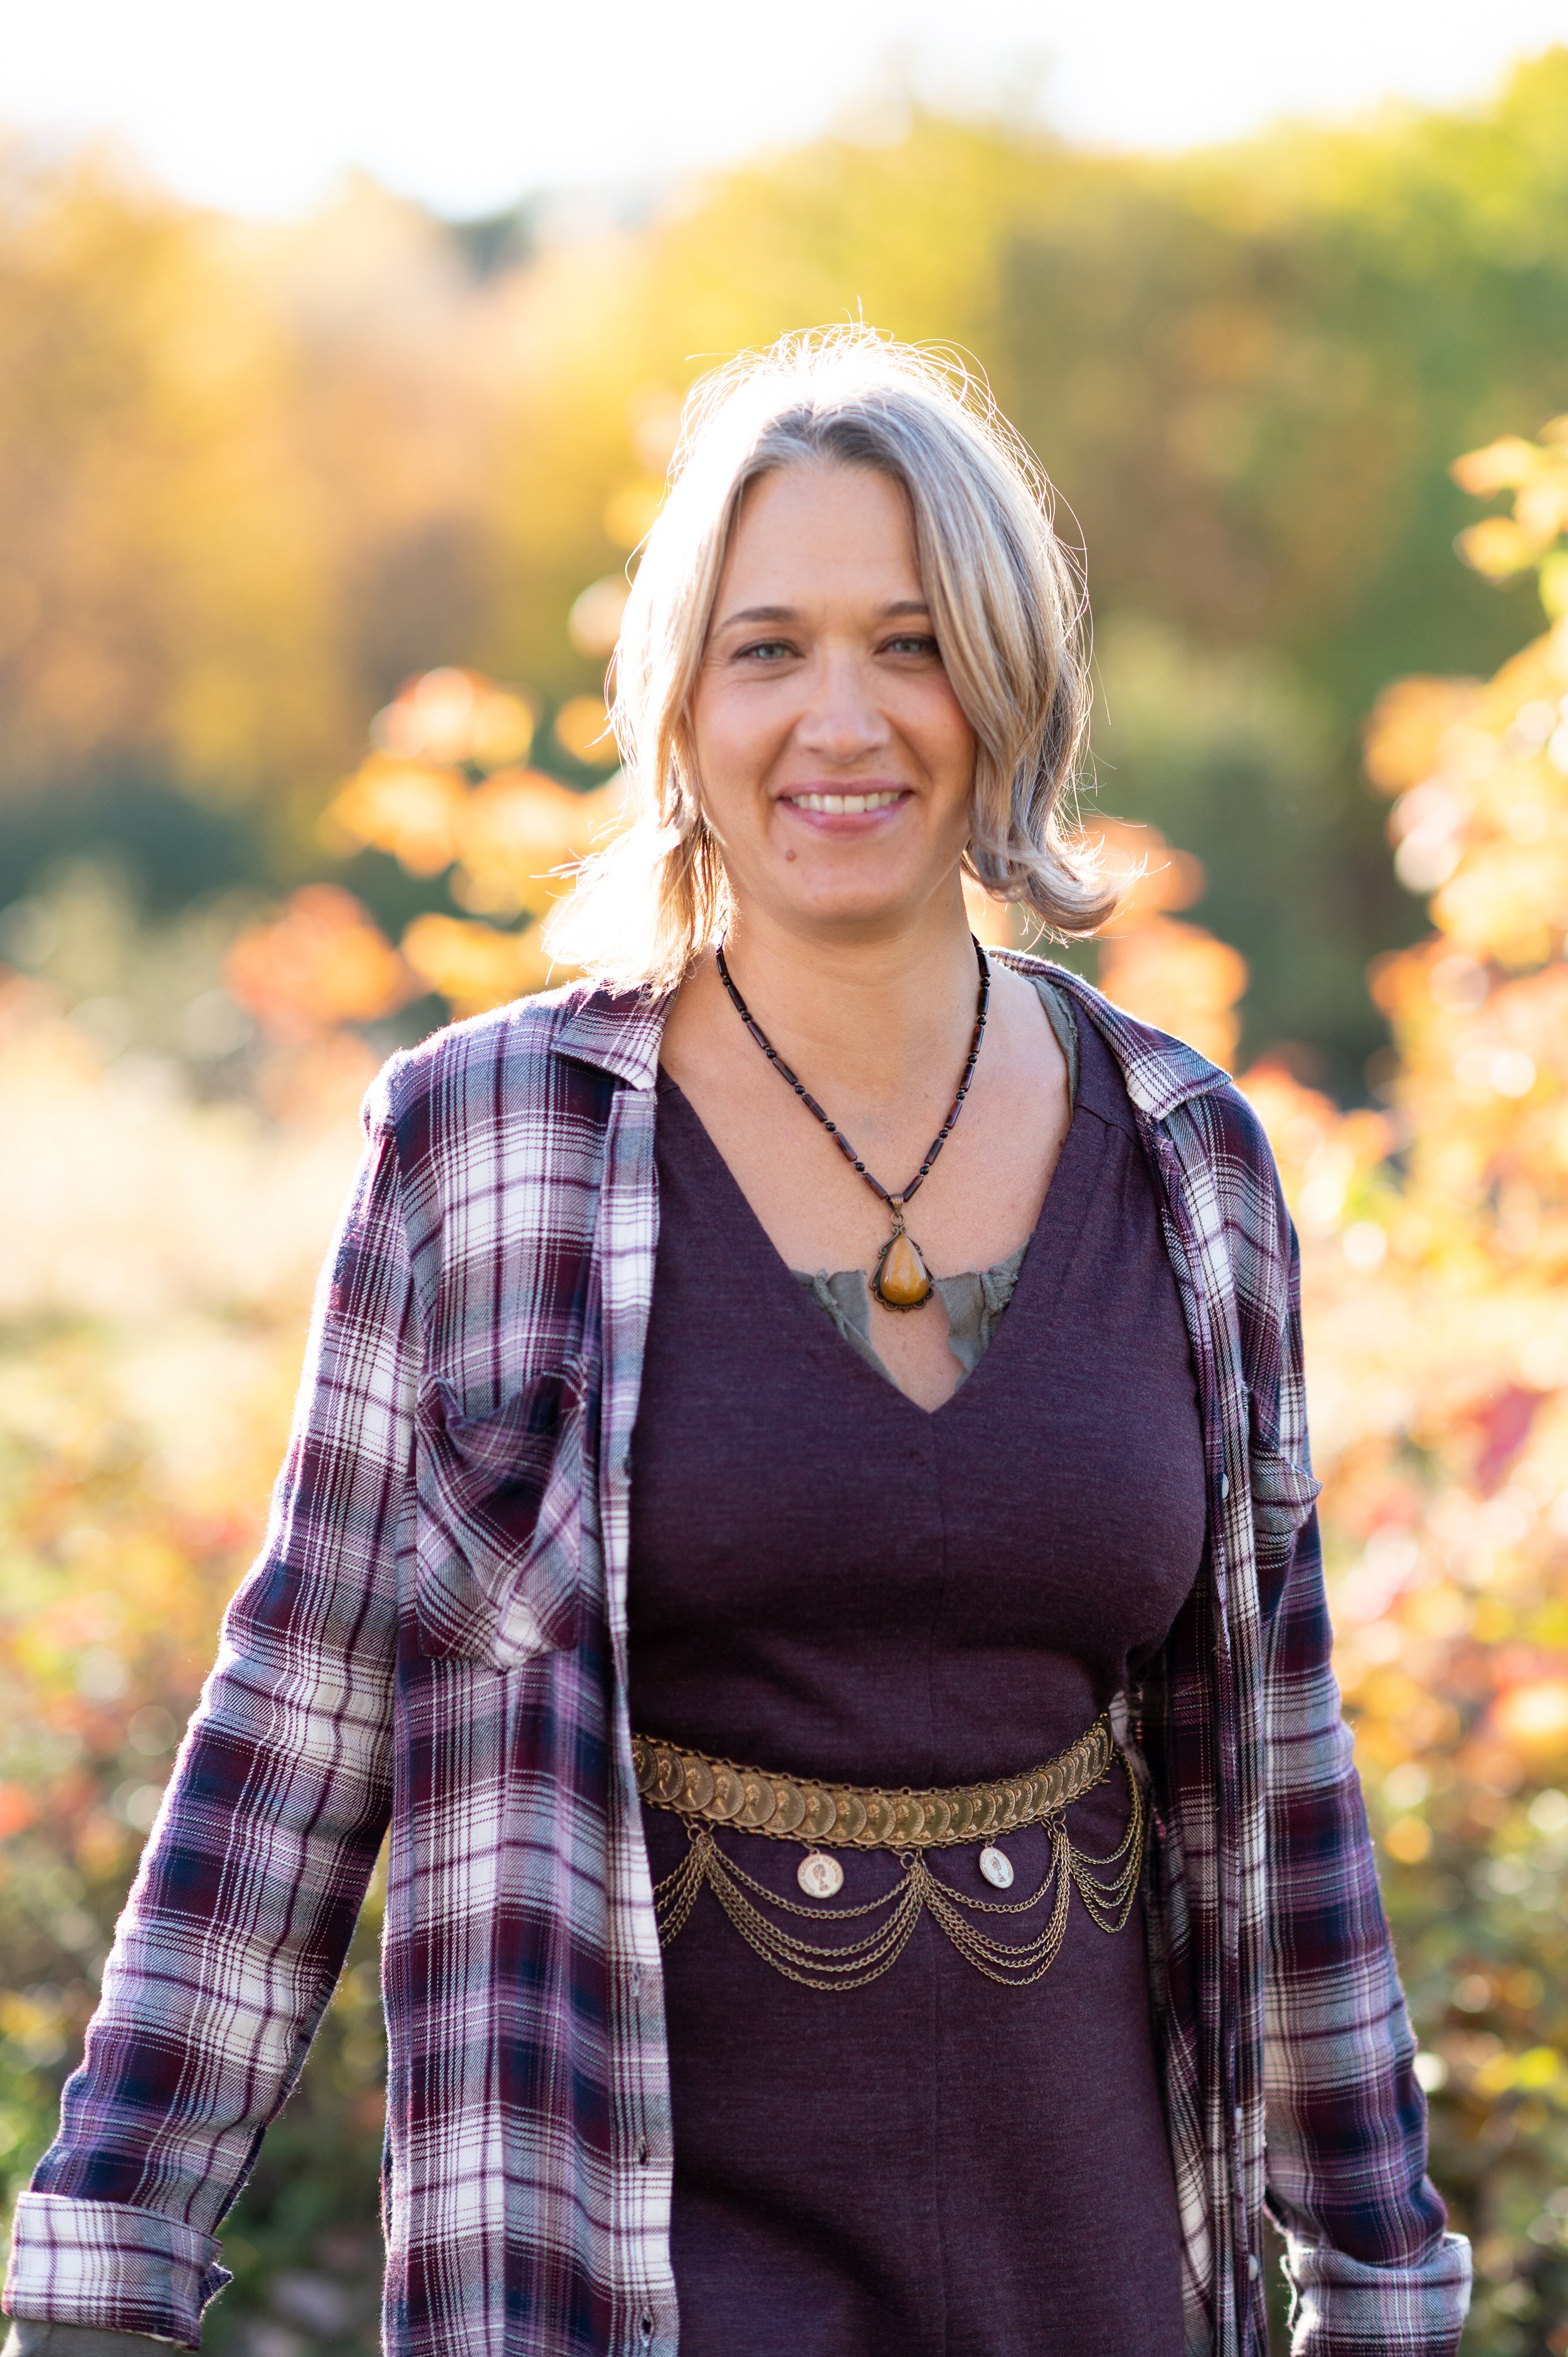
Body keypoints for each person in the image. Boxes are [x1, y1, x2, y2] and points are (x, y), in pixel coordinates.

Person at [3, 329, 1470, 2357]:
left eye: (910, 644)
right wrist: (106, 2254)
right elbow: (300, 1712)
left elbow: (1275, 1774)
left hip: (1085, 2266)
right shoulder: (488, 1146)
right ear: (679, 703)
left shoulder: (1184, 1162)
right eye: (766, 649)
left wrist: (1377, 2274)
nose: (838, 721)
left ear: (1005, 689)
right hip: (631, 2271)